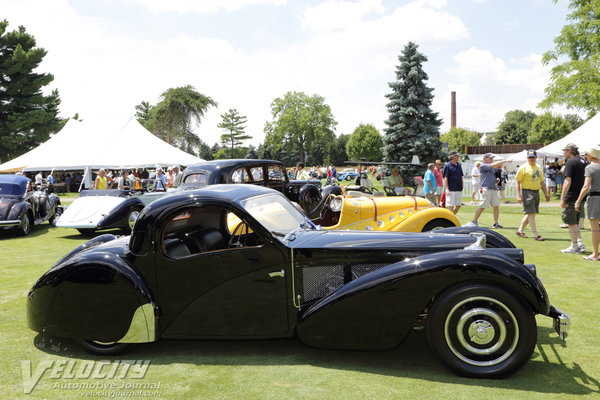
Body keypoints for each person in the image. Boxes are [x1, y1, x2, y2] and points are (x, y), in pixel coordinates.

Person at [515, 150, 551, 240]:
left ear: (536, 158)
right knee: (531, 213)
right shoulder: (523, 167)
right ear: (527, 158)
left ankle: (520, 230)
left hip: (536, 192)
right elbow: (518, 182)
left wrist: (546, 193)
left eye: (533, 157)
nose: (531, 159)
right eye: (529, 157)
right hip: (527, 192)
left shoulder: (538, 167)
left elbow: (542, 182)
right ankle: (536, 235)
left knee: (531, 213)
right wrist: (518, 195)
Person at [560, 143, 587, 253]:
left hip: (571, 196)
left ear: (569, 151)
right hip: (580, 196)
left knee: (571, 222)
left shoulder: (570, 162)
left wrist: (562, 197)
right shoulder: (583, 161)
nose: (564, 153)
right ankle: (579, 243)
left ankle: (574, 246)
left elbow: (567, 181)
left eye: (565, 150)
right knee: (575, 222)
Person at [471, 153, 511, 228]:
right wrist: (505, 160)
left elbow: (490, 176)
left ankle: (496, 223)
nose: (492, 159)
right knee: (482, 206)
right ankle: (474, 221)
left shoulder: (492, 168)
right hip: (485, 188)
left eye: (492, 158)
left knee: (496, 206)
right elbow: (494, 165)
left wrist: (496, 180)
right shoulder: (483, 166)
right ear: (485, 159)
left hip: (493, 188)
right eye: (490, 158)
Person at [575, 145, 600, 261]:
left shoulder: (590, 168)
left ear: (591, 155)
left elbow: (586, 186)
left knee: (594, 228)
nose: (585, 155)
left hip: (595, 198)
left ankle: (595, 254)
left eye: (587, 154)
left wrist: (578, 201)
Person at [442, 150, 464, 214]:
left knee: (458, 205)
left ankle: (452, 217)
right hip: (451, 189)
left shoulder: (459, 165)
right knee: (451, 206)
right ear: (452, 156)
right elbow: (445, 178)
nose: (458, 156)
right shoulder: (447, 166)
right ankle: (450, 219)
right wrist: (447, 189)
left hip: (458, 188)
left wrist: (462, 185)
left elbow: (461, 176)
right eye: (456, 155)